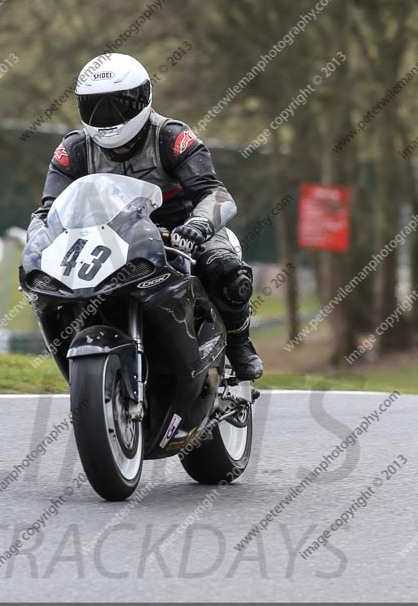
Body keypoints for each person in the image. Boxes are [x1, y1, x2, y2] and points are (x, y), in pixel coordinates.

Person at [28, 53, 263, 381]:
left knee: (226, 270)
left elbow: (215, 194)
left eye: (117, 105)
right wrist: (39, 238)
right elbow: (49, 209)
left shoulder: (172, 137)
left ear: (142, 99)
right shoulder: (74, 149)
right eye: (93, 107)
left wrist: (197, 225)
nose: (105, 117)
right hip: (111, 233)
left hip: (182, 227)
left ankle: (239, 342)